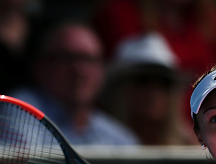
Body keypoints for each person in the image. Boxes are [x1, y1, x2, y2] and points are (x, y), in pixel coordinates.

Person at [10, 21, 139, 146]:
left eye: (89, 60)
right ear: (41, 67)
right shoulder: (20, 108)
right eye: (69, 58)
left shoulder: (121, 139)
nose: (79, 70)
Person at [100, 32, 195, 145]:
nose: (154, 91)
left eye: (164, 83)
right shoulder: (97, 140)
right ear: (121, 90)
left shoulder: (189, 148)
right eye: (143, 80)